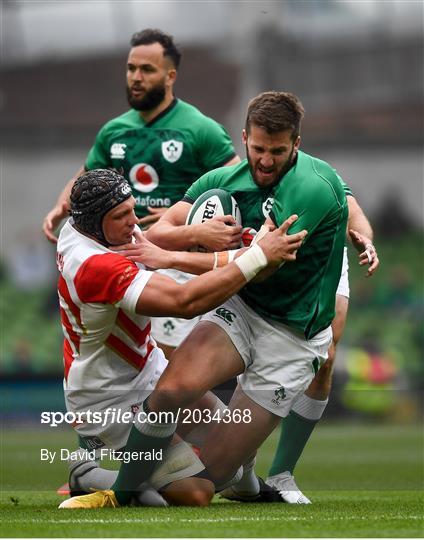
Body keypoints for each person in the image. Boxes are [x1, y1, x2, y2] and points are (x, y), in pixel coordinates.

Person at [61, 91, 362, 510]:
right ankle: (118, 493)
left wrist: (172, 256)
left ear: (296, 143)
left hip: (293, 339)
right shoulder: (223, 181)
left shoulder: (309, 188)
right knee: (171, 391)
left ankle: (249, 480)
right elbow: (162, 229)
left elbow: (265, 264)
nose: (266, 160)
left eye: (277, 151)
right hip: (242, 311)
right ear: (244, 139)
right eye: (257, 149)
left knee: (200, 491)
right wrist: (196, 235)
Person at [56, 167, 307, 509]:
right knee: (196, 493)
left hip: (148, 371)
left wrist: (195, 233)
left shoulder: (85, 228)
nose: (135, 223)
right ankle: (85, 474)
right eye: (122, 216)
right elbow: (184, 302)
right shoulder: (94, 266)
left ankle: (242, 486)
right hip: (108, 397)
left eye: (132, 208)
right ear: (95, 224)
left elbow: (148, 242)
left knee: (235, 439)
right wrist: (259, 255)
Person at [42, 28, 241, 359]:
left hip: (174, 259)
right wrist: (58, 208)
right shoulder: (114, 130)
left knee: (170, 366)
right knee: (144, 364)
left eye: (147, 70)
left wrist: (183, 210)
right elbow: (86, 175)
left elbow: (235, 181)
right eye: (131, 68)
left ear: (170, 76)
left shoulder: (200, 129)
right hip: (126, 258)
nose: (136, 77)